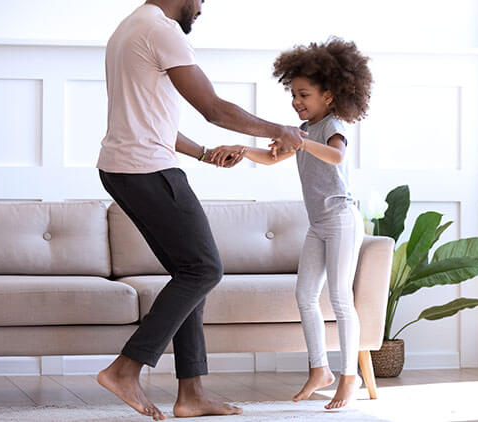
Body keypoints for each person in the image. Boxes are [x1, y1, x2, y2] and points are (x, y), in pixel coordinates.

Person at [94, 0, 305, 420]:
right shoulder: (162, 31)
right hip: (148, 170)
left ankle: (191, 394)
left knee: (191, 272)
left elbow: (151, 118)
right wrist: (278, 129)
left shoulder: (129, 28)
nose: (202, 8)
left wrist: (204, 154)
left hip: (123, 168)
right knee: (204, 270)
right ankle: (125, 369)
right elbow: (213, 108)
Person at [218, 37, 373, 409]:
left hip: (340, 219)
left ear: (329, 96)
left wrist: (300, 143)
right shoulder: (301, 133)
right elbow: (272, 158)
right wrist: (242, 150)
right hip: (318, 223)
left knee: (339, 298)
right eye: (293, 95)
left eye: (304, 95)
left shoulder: (332, 126)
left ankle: (349, 378)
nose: (296, 102)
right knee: (305, 295)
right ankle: (320, 370)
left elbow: (335, 157)